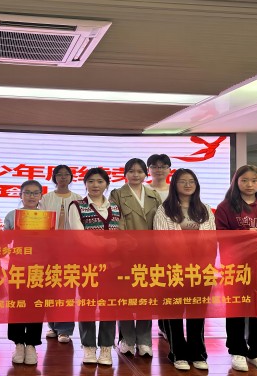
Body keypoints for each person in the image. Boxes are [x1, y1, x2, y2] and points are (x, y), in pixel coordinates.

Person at [215, 164, 257, 374]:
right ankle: (237, 350)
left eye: (254, 180)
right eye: (244, 180)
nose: (249, 184)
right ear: (236, 182)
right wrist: (245, 234)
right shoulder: (226, 207)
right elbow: (219, 236)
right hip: (236, 268)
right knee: (236, 310)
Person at [153, 168, 215, 371]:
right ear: (174, 185)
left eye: (191, 181)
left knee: (197, 311)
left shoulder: (205, 209)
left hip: (200, 269)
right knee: (174, 311)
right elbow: (161, 240)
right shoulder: (165, 210)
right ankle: (177, 353)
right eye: (182, 181)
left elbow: (211, 239)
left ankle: (198, 353)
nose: (188, 185)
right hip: (174, 268)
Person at [109, 158, 162, 358]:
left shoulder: (153, 195)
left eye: (140, 171)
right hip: (125, 253)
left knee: (146, 298)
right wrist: (129, 244)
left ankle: (145, 341)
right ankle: (128, 339)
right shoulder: (117, 194)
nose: (136, 175)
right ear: (125, 173)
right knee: (124, 298)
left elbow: (160, 222)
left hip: (150, 254)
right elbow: (116, 221)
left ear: (145, 174)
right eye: (131, 171)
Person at [68, 167, 120, 366]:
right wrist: (108, 243)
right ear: (85, 184)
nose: (95, 185)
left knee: (109, 306)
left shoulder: (114, 207)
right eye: (90, 181)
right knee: (88, 304)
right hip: (87, 266)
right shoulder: (77, 206)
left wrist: (114, 244)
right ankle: (88, 347)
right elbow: (80, 236)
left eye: (99, 181)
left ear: (106, 184)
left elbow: (120, 235)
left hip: (112, 267)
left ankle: (106, 348)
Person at [4, 180, 45, 365]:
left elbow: (53, 241)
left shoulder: (46, 216)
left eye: (35, 193)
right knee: (17, 304)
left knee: (36, 304)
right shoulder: (12, 215)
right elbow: (4, 241)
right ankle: (19, 343)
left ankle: (32, 345)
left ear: (41, 196)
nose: (31, 196)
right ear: (20, 195)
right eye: (27, 192)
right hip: (18, 265)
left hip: (40, 265)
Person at [41, 164, 82, 343]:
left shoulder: (78, 198)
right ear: (54, 177)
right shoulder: (46, 198)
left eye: (66, 174)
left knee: (67, 288)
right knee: (51, 286)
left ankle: (65, 329)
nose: (63, 177)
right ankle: (52, 326)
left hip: (72, 249)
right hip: (50, 249)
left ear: (71, 177)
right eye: (59, 174)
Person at [146, 153, 172, 341]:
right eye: (155, 166)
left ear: (169, 169)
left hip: (170, 246)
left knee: (167, 286)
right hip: (147, 245)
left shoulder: (175, 190)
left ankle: (165, 325)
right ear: (149, 170)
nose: (159, 170)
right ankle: (143, 331)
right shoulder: (144, 190)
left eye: (163, 166)